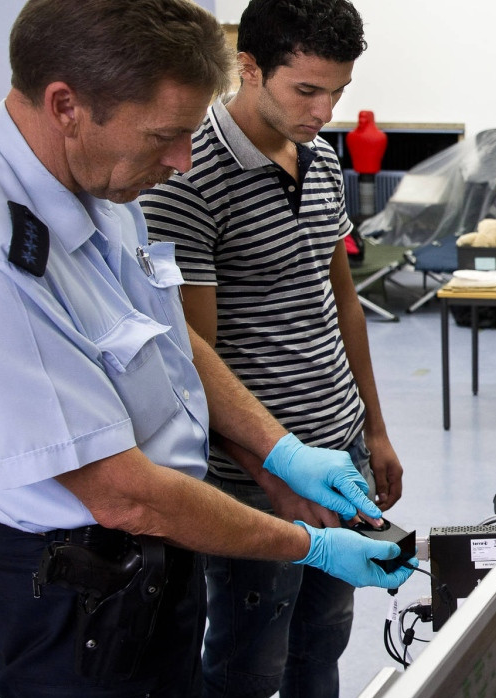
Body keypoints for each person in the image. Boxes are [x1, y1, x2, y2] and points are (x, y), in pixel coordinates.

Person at [0, 1, 411, 695]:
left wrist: (277, 451)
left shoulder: (102, 175)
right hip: (79, 588)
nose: (182, 161)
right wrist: (306, 546)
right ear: (66, 104)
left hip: (166, 547)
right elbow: (119, 493)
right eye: (166, 135)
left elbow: (168, 336)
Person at [138, 2, 403, 696]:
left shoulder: (319, 156)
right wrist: (273, 475)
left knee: (322, 647)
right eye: (306, 90)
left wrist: (372, 428)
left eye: (338, 92)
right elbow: (193, 360)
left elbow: (341, 300)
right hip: (257, 479)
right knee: (249, 663)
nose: (325, 110)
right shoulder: (186, 178)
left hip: (338, 452)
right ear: (249, 69)